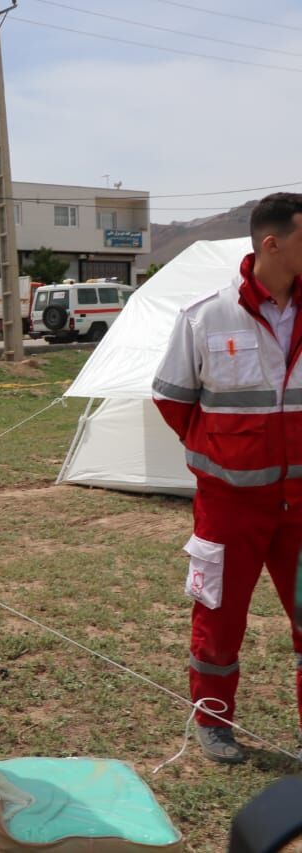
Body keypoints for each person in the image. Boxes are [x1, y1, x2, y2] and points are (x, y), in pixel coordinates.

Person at [153, 192, 302, 764]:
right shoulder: (207, 316)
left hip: (301, 504)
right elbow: (172, 400)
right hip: (230, 506)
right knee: (217, 619)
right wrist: (220, 455)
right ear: (272, 243)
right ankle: (214, 724)